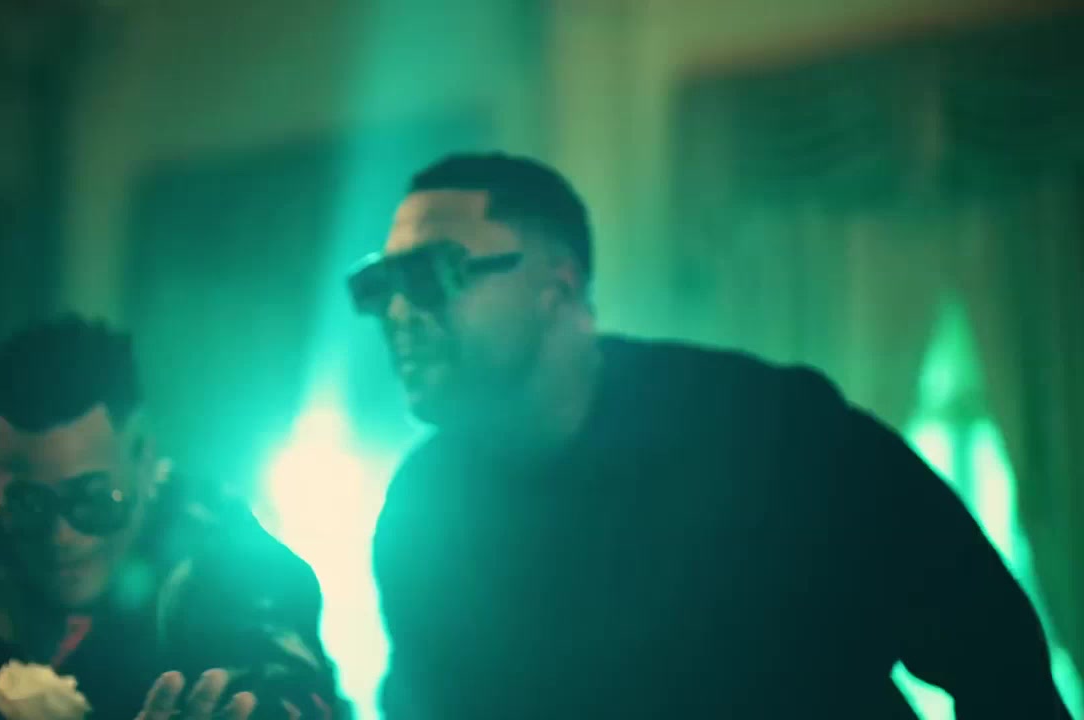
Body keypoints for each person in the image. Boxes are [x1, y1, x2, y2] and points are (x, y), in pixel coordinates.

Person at [351, 153, 1070, 719]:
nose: (398, 312)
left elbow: (989, 642)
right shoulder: (419, 511)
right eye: (379, 287)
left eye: (431, 274)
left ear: (559, 286)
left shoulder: (767, 430)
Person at [0, 316, 344, 720]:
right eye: (29, 504)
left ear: (144, 461)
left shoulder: (229, 561)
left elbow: (289, 683)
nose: (62, 536)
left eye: (93, 500)